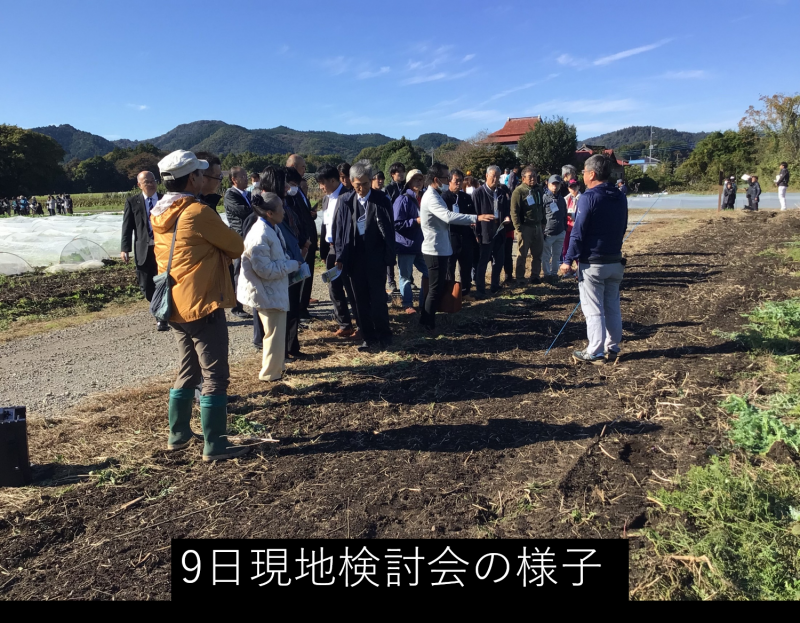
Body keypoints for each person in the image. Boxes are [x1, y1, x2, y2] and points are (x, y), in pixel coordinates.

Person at [150, 150, 248, 462]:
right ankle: (216, 444)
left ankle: (177, 435)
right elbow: (236, 246)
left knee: (188, 368)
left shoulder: (160, 212)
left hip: (175, 303)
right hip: (202, 303)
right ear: (192, 178)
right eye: (201, 174)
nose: (205, 178)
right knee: (215, 374)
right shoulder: (197, 212)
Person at [559, 154, 628, 365]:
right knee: (612, 306)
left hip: (593, 263)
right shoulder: (620, 196)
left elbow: (578, 233)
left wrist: (568, 260)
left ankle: (596, 350)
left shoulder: (589, 197)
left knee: (593, 308)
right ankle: (613, 346)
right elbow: (622, 226)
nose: (582, 176)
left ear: (592, 173)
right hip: (615, 260)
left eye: (584, 172)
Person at [420, 163, 494, 329]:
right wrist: (475, 218)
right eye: (446, 177)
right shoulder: (431, 197)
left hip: (439, 247)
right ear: (436, 179)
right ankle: (427, 323)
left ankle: (426, 320)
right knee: (435, 288)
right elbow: (447, 216)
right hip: (434, 249)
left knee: (437, 287)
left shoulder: (435, 194)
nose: (448, 180)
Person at [333, 161, 395, 351]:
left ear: (372, 181)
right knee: (359, 300)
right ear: (351, 182)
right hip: (355, 259)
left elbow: (389, 231)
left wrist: (389, 257)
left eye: (365, 184)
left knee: (377, 298)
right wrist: (340, 256)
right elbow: (339, 231)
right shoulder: (345, 201)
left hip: (375, 257)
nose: (361, 188)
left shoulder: (381, 199)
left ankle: (384, 334)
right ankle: (367, 336)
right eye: (357, 184)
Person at [238, 192, 299, 382]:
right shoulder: (260, 234)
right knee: (273, 333)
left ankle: (277, 367)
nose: (284, 211)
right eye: (280, 208)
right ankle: (270, 374)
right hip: (266, 289)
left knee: (277, 331)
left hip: (272, 289)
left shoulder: (271, 227)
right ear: (270, 213)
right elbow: (264, 269)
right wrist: (291, 265)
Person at [121, 171, 167, 330]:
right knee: (146, 285)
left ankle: (161, 316)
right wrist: (124, 249)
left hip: (163, 248)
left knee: (163, 281)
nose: (151, 184)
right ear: (139, 185)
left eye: (153, 180)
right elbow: (127, 228)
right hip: (143, 248)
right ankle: (156, 305)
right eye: (146, 182)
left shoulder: (165, 200)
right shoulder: (133, 202)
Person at [318, 164, 359, 338]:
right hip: (331, 249)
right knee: (334, 288)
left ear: (333, 180)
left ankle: (361, 324)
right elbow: (325, 225)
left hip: (347, 250)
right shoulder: (326, 199)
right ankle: (344, 323)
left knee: (352, 288)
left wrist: (343, 254)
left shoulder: (349, 197)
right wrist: (323, 250)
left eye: (322, 183)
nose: (321, 187)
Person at [472, 165, 512, 298]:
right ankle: (480, 289)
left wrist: (507, 217)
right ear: (486, 176)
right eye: (493, 176)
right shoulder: (478, 193)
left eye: (497, 176)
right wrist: (477, 233)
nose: (495, 179)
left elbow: (506, 209)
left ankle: (495, 285)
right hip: (485, 231)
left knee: (499, 260)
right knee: (483, 261)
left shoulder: (501, 192)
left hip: (499, 230)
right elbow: (474, 214)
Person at [393, 169, 428, 314]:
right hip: (406, 244)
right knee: (405, 277)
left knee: (429, 273)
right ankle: (407, 305)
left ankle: (423, 302)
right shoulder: (402, 199)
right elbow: (396, 223)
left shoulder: (425, 197)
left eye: (420, 179)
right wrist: (415, 221)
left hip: (421, 244)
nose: (419, 182)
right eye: (415, 179)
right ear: (409, 182)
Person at [285, 167, 318, 320]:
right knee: (295, 283)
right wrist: (302, 241)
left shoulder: (300, 195)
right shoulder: (287, 199)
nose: (298, 188)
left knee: (305, 278)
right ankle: (296, 313)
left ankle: (302, 310)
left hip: (307, 242)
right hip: (297, 244)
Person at [223, 166, 254, 320]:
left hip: (250, 236)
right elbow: (243, 212)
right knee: (238, 271)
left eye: (246, 174)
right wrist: (257, 209)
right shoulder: (230, 195)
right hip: (239, 237)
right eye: (242, 175)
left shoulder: (248, 194)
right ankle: (236, 306)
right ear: (234, 179)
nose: (246, 177)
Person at [441, 168, 477, 297]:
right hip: (451, 237)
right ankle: (450, 294)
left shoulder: (466, 197)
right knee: (450, 267)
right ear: (449, 181)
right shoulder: (443, 198)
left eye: (461, 181)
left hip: (466, 236)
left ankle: (465, 291)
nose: (458, 183)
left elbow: (473, 215)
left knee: (466, 266)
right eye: (456, 180)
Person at [510, 165, 545, 284]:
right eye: (530, 177)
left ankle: (535, 276)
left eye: (534, 176)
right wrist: (518, 228)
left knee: (537, 254)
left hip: (538, 226)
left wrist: (543, 223)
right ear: (523, 178)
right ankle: (520, 278)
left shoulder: (539, 189)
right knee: (522, 254)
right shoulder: (519, 191)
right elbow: (514, 211)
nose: (533, 179)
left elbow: (542, 207)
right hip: (525, 227)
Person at [542, 175, 567, 280]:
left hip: (560, 231)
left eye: (557, 184)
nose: (555, 186)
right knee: (546, 256)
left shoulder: (562, 199)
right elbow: (541, 215)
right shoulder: (544, 198)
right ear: (548, 184)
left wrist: (564, 229)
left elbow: (564, 214)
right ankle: (547, 274)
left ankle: (554, 273)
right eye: (553, 184)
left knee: (557, 255)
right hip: (548, 232)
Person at [562, 178, 582, 260]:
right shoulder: (565, 199)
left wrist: (572, 215)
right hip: (567, 227)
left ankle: (578, 267)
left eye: (575, 186)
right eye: (571, 187)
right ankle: (566, 266)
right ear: (568, 188)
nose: (573, 189)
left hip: (577, 227)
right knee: (565, 248)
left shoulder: (582, 199)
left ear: (578, 187)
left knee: (577, 248)